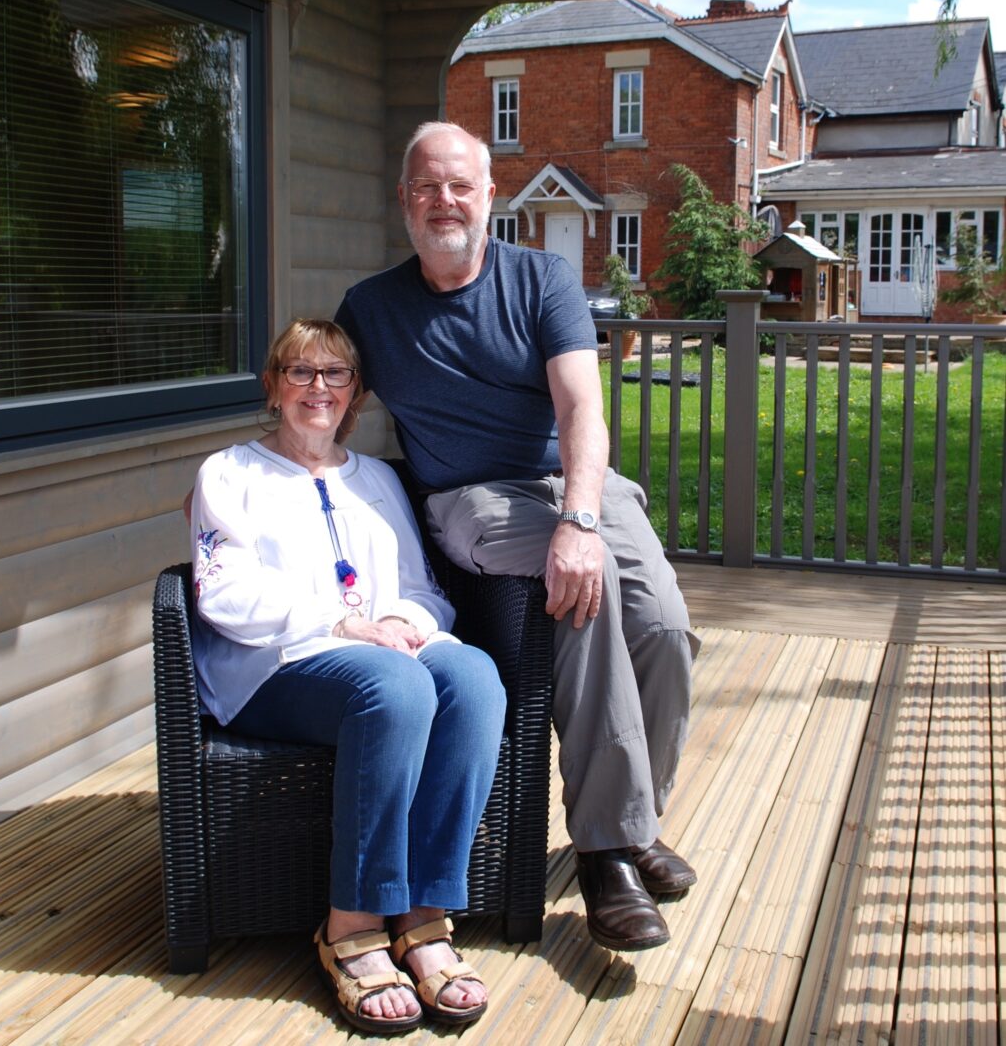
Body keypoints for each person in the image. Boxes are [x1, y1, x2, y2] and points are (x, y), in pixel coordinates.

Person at [336, 123, 701, 954]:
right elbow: (320, 394)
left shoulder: (542, 278)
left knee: (667, 626)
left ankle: (637, 819)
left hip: (575, 483)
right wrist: (259, 474)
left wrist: (578, 516)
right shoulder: (372, 309)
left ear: (490, 196)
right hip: (473, 499)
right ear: (404, 199)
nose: (444, 201)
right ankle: (608, 851)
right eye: (427, 186)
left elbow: (581, 409)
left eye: (460, 185)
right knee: (585, 592)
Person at [189, 317, 506, 1034]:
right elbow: (222, 592)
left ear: (355, 393)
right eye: (299, 372)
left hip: (384, 650)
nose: (318, 389)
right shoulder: (230, 473)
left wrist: (407, 627)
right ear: (273, 388)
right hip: (276, 665)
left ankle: (425, 914)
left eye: (335, 375)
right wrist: (341, 626)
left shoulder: (378, 481)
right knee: (394, 690)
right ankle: (351, 926)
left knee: (476, 678)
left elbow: (421, 588)